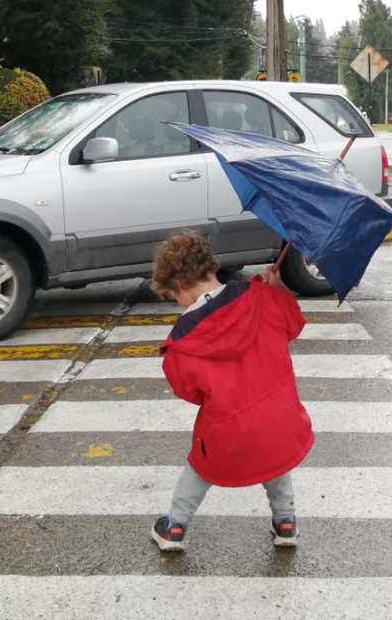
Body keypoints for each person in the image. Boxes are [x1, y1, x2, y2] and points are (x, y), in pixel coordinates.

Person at [148, 230, 314, 552]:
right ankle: (286, 522)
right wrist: (275, 290)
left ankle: (174, 527)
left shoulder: (185, 337)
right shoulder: (261, 295)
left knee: (200, 466)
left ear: (180, 286)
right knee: (275, 459)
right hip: (280, 419)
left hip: (228, 428)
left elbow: (187, 389)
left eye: (172, 295)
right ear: (210, 268)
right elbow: (292, 324)